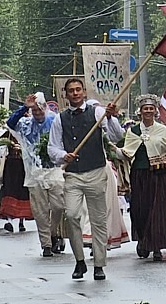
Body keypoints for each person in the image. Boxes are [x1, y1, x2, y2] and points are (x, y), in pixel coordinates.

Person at [48, 78, 123, 281]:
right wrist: (64, 155)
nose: (75, 93)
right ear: (66, 95)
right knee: (72, 215)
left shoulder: (98, 113)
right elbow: (52, 147)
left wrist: (111, 117)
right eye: (71, 91)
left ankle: (99, 264)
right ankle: (80, 261)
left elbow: (117, 136)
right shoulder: (59, 119)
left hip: (96, 172)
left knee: (98, 220)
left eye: (78, 90)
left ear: (84, 92)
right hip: (73, 174)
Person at [118, 94, 166, 262]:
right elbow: (126, 152)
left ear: (155, 111)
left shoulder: (162, 130)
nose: (148, 111)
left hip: (159, 174)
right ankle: (143, 239)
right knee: (140, 209)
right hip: (140, 174)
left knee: (157, 210)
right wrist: (110, 148)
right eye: (145, 109)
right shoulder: (133, 131)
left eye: (151, 108)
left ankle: (156, 245)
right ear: (140, 112)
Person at [7, 93, 65, 257]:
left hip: (54, 170)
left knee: (58, 206)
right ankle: (46, 244)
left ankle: (53, 232)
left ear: (45, 108)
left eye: (40, 109)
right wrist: (25, 107)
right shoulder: (25, 124)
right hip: (34, 172)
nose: (38, 113)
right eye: (34, 110)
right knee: (40, 211)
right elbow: (10, 123)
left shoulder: (55, 121)